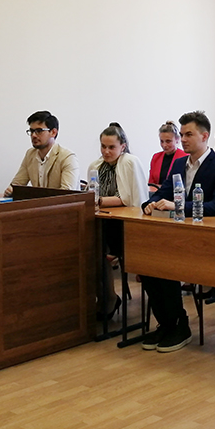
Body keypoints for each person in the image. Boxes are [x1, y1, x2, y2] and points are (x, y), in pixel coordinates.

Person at [141, 111, 215, 353]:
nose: (183, 139)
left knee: (166, 264)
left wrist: (179, 206)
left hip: (206, 237)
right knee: (147, 264)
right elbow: (164, 192)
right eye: (181, 135)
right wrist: (149, 203)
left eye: (188, 134)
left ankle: (179, 324)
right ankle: (167, 323)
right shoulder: (180, 164)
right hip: (177, 236)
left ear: (204, 136)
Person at [88, 122, 149, 321]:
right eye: (103, 146)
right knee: (89, 251)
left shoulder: (130, 162)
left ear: (122, 146)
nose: (106, 151)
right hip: (103, 220)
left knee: (100, 250)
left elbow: (130, 199)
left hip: (123, 224)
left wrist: (99, 201)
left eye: (111, 147)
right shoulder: (96, 166)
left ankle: (108, 300)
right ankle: (105, 298)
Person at [5, 110, 78, 196]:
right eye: (31, 131)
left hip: (61, 204)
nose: (33, 135)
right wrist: (11, 190)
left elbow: (67, 194)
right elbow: (17, 184)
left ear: (53, 132)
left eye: (39, 131)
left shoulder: (67, 157)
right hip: (39, 204)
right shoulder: (30, 154)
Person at [148, 120, 187, 192]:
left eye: (168, 141)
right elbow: (151, 183)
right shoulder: (156, 157)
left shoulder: (185, 157)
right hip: (157, 194)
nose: (164, 145)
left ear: (177, 140)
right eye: (162, 141)